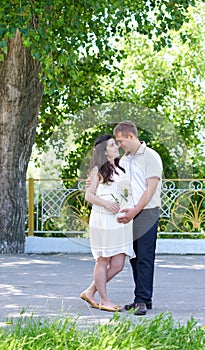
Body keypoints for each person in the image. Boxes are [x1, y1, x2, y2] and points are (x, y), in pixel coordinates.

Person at [80, 134, 135, 312]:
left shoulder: (120, 169)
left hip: (119, 220)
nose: (116, 147)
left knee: (118, 263)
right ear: (104, 151)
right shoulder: (97, 169)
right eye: (112, 145)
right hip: (103, 218)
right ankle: (104, 300)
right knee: (103, 260)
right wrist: (106, 203)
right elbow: (89, 195)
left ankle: (90, 291)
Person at [113, 120, 163, 315]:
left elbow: (150, 190)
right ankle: (144, 298)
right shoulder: (125, 160)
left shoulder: (151, 157)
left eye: (120, 141)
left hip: (147, 212)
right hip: (130, 213)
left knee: (145, 256)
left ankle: (141, 299)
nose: (119, 145)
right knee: (134, 257)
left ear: (131, 137)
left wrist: (135, 211)